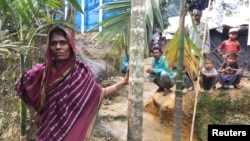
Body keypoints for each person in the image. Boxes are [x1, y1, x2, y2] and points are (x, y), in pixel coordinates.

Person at [14, 26, 129, 141]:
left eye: (63, 43)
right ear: (49, 47)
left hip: (71, 133)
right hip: (46, 132)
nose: (58, 47)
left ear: (70, 45)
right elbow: (21, 87)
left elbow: (98, 93)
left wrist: (123, 82)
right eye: (53, 43)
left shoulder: (81, 72)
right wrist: (34, 114)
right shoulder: (41, 72)